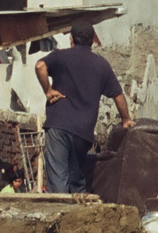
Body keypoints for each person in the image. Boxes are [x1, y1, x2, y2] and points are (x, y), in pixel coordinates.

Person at [34, 23, 132, 193]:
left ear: (71, 39)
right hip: (83, 132)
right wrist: (126, 119)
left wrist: (48, 90)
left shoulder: (61, 56)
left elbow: (40, 66)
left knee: (58, 181)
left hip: (59, 125)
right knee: (76, 178)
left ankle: (61, 216)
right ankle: (79, 213)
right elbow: (118, 95)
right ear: (93, 41)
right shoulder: (102, 65)